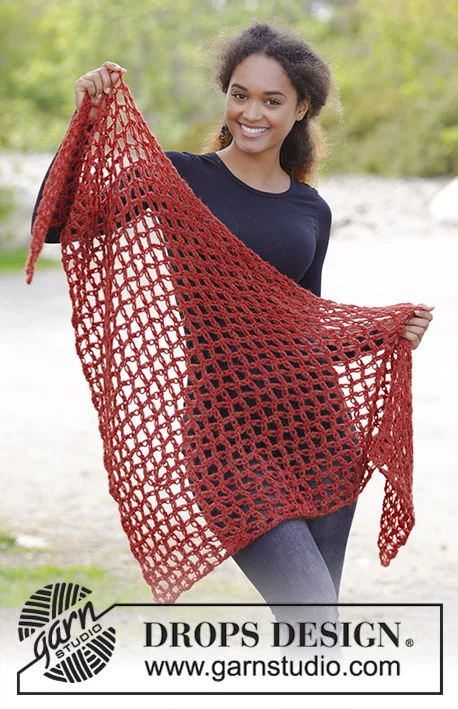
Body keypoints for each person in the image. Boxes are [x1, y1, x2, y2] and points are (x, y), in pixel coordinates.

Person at [33, 22, 433, 656]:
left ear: (300, 109)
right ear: (225, 95)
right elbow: (57, 222)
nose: (252, 113)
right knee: (313, 616)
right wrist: (84, 121)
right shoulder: (176, 179)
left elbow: (301, 325)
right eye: (240, 95)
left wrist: (380, 337)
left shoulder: (310, 209)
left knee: (312, 638)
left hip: (319, 432)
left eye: (272, 100)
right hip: (226, 439)